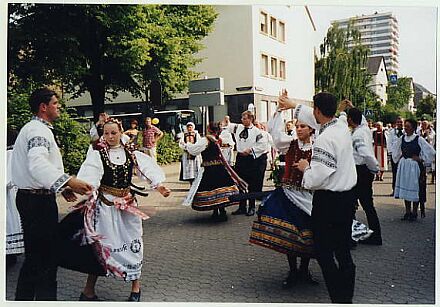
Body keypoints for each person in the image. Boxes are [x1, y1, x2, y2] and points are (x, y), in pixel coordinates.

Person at [58, 118, 171, 302]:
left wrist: (159, 186)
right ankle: (88, 291)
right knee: (101, 247)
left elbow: (147, 169)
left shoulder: (131, 153)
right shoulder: (98, 155)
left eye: (114, 132)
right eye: (106, 133)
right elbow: (90, 176)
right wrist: (77, 187)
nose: (110, 136)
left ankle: (136, 288)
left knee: (134, 242)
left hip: (128, 206)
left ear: (121, 132)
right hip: (106, 207)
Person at [11, 87, 93, 301]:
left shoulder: (34, 128)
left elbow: (37, 168)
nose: (59, 107)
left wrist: (60, 187)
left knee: (35, 258)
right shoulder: (38, 130)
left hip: (33, 198)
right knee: (47, 259)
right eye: (55, 103)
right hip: (37, 203)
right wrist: (69, 181)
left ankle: (24, 300)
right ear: (43, 107)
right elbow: (37, 164)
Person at [278, 90, 357, 304]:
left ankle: (339, 298)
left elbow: (317, 179)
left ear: (318, 110)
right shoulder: (341, 125)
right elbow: (322, 117)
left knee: (323, 253)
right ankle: (346, 296)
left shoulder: (324, 139)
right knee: (343, 251)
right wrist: (293, 105)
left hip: (328, 202)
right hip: (348, 198)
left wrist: (305, 168)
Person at [250, 108, 319, 288]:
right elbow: (275, 134)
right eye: (297, 126)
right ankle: (293, 270)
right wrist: (279, 112)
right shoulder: (290, 144)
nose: (299, 129)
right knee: (291, 235)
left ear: (312, 129)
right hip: (288, 195)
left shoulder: (318, 148)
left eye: (303, 126)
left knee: (308, 234)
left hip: (309, 197)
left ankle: (304, 269)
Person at [182, 122, 248, 221]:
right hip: (220, 167)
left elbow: (194, 150)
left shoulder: (206, 140)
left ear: (209, 129)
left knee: (212, 188)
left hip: (209, 168)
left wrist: (185, 145)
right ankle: (221, 211)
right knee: (220, 187)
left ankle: (216, 212)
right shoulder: (219, 139)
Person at [340, 103, 382, 246]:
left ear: (350, 120)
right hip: (363, 171)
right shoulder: (364, 129)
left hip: (359, 171)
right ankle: (374, 236)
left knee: (350, 205)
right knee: (367, 205)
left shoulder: (357, 134)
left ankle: (350, 238)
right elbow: (361, 119)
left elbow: (365, 153)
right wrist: (352, 107)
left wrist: (374, 168)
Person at [391, 119, 435, 221]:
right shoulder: (402, 138)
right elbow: (395, 150)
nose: (405, 128)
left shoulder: (418, 139)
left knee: (414, 188)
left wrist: (421, 159)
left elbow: (431, 151)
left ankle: (414, 212)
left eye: (408, 126)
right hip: (404, 165)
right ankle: (407, 212)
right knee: (405, 186)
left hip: (414, 167)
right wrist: (399, 157)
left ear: (413, 128)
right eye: (405, 126)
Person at [227, 111, 268, 216]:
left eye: (245, 118)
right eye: (242, 118)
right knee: (240, 183)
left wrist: (251, 150)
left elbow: (263, 145)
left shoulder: (257, 132)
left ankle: (252, 207)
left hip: (251, 160)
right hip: (240, 159)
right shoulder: (239, 127)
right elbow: (228, 126)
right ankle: (242, 207)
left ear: (250, 119)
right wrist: (226, 121)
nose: (242, 120)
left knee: (252, 185)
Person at [6, 128, 24, 266]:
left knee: (11, 221)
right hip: (13, 191)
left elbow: (8, 179)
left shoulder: (9, 154)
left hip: (10, 192)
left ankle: (10, 253)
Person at [386, 117, 404, 195]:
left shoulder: (406, 132)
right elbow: (389, 142)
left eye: (401, 122)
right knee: (395, 173)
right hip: (394, 155)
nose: (400, 123)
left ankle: (403, 190)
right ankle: (395, 190)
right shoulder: (392, 132)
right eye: (398, 122)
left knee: (403, 173)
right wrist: (390, 152)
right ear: (396, 123)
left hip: (404, 156)